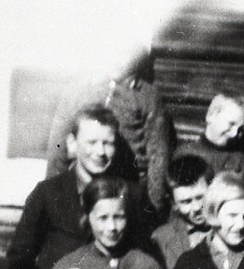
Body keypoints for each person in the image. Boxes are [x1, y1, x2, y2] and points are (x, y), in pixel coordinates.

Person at [8, 104, 152, 269]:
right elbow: (18, 262)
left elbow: (144, 261)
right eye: (91, 142)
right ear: (72, 144)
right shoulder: (48, 194)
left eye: (108, 143)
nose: (100, 152)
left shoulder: (132, 196)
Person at [43, 50, 173, 213]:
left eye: (125, 53)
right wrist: (53, 196)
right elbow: (57, 147)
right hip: (82, 186)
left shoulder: (147, 96)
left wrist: (153, 206)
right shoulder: (79, 90)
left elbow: (159, 156)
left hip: (126, 189)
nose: (117, 60)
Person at [151, 154, 214, 269]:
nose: (196, 208)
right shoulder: (162, 238)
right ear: (173, 203)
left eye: (200, 197)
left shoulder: (230, 229)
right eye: (186, 202)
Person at [173, 93, 244, 183]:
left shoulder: (239, 163)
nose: (234, 134)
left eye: (240, 129)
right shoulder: (185, 154)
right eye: (231, 124)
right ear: (211, 115)